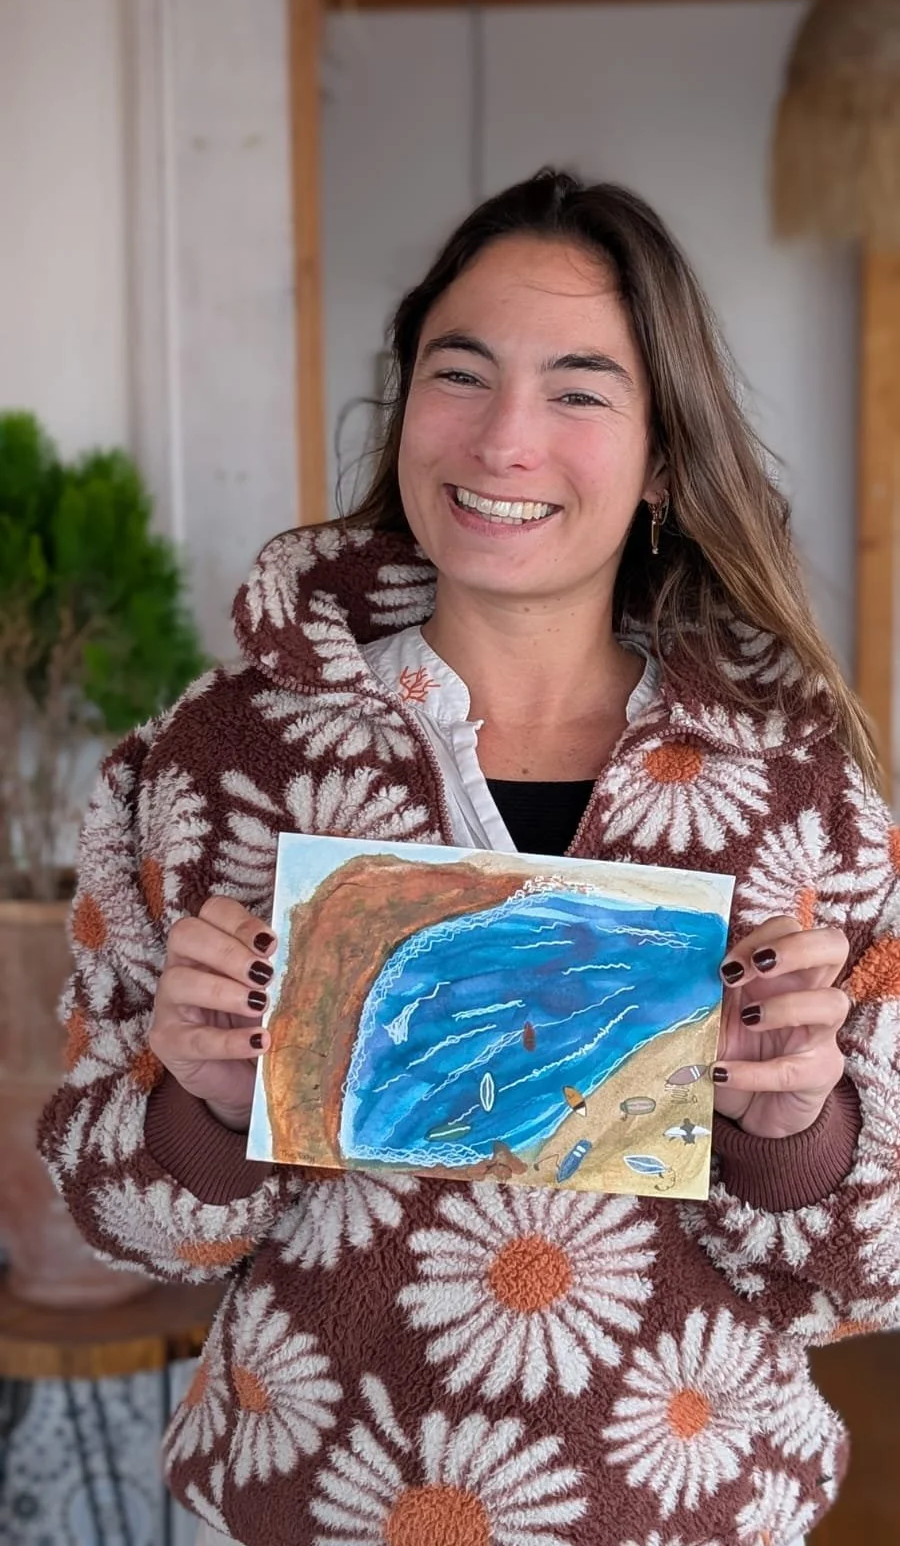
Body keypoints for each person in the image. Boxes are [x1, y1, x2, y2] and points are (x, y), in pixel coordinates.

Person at [39, 169, 900, 1546]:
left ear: (664, 456)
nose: (506, 439)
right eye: (463, 372)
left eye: (578, 388)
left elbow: (870, 1273)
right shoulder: (216, 763)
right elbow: (121, 1226)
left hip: (687, 1511)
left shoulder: (798, 794)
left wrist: (798, 1136)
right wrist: (199, 1103)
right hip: (300, 1505)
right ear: (405, 404)